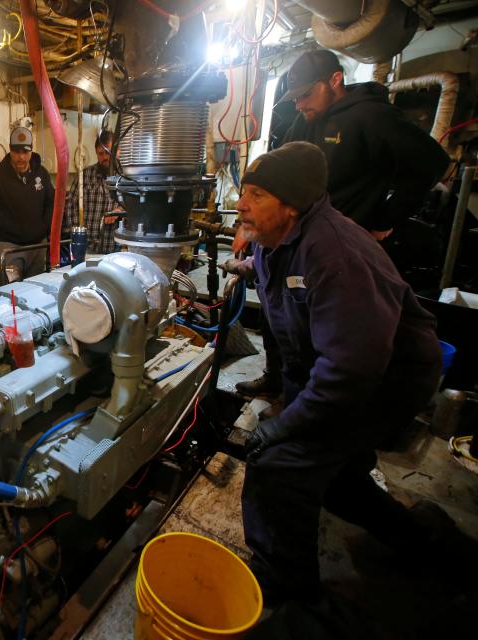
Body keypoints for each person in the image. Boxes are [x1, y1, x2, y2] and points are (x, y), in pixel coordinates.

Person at [234, 142, 450, 606]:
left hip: (383, 382)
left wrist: (282, 426)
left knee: (279, 468)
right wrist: (245, 264)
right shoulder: (280, 240)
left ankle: (285, 593)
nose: (241, 204)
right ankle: (426, 541)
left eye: (257, 194)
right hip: (333, 371)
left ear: (290, 204)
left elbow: (348, 373)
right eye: (243, 191)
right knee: (339, 478)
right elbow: (282, 278)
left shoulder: (336, 254)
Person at [230, 49, 450, 396]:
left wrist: (384, 219)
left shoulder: (370, 117)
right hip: (293, 238)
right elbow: (274, 175)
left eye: (306, 95)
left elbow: (432, 162)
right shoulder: (306, 121)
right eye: (296, 97)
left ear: (335, 80)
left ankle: (319, 398)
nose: (300, 104)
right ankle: (278, 378)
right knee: (278, 310)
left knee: (330, 334)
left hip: (337, 244)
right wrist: (249, 226)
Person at [0, 126, 55, 282]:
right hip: (9, 247)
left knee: (36, 291)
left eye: (25, 152)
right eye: (16, 152)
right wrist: (18, 231)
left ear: (31, 151)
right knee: (10, 294)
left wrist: (43, 228)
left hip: (37, 247)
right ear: (10, 151)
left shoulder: (41, 173)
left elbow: (51, 202)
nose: (21, 157)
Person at [65, 130, 120, 255]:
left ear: (118, 151)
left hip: (117, 248)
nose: (105, 157)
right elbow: (71, 206)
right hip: (88, 248)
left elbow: (136, 208)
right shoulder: (84, 176)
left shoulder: (127, 178)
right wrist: (79, 236)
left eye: (108, 152)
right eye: (101, 154)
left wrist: (120, 210)